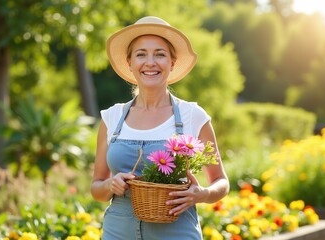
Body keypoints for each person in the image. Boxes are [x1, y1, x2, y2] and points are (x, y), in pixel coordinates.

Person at [91, 16, 230, 239]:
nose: (150, 62)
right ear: (130, 63)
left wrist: (201, 194)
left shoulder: (192, 116)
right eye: (141, 54)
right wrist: (109, 184)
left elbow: (220, 181)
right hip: (117, 232)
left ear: (172, 63)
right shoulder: (112, 117)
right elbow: (96, 188)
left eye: (160, 54)